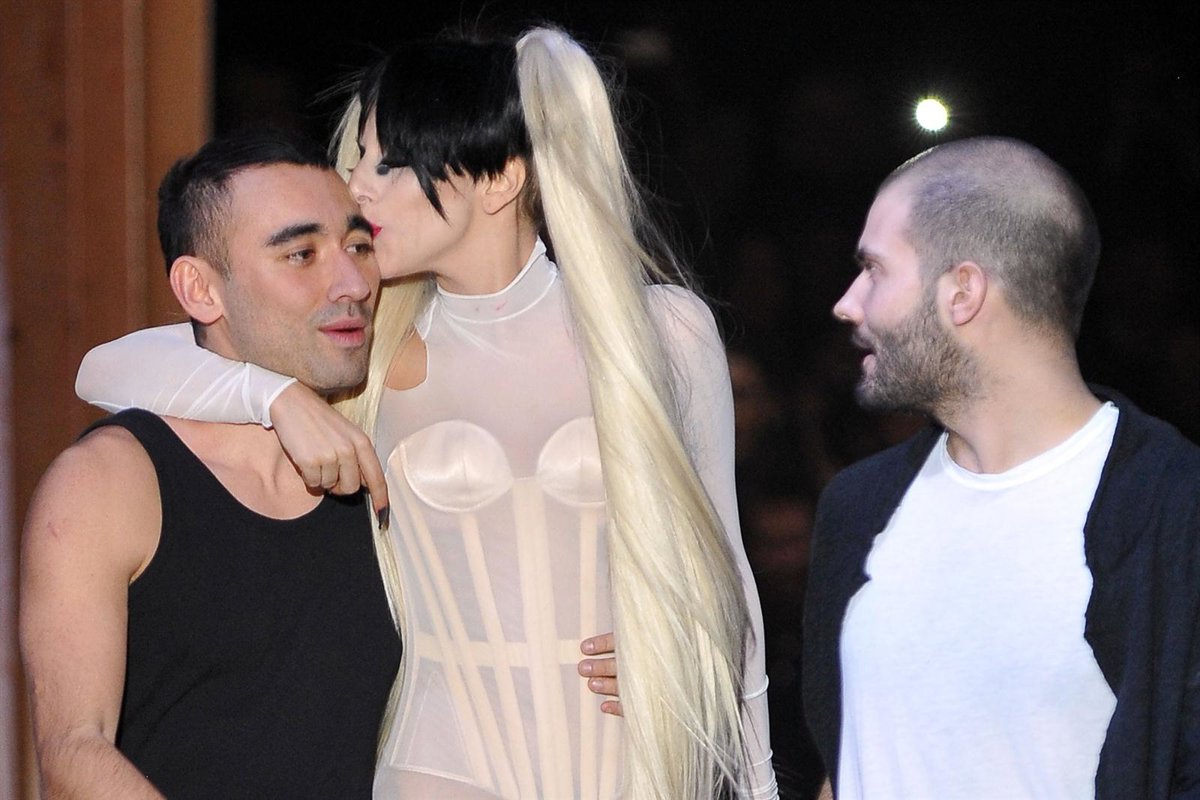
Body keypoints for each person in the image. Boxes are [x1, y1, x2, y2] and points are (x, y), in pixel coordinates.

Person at [75, 27, 777, 800]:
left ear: (500, 178)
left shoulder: (660, 331)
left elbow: (731, 588)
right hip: (436, 769)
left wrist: (750, 770)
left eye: (389, 162)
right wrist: (271, 396)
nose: (357, 188)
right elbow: (106, 369)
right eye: (358, 161)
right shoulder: (369, 349)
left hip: (632, 766)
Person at [802, 135, 1200, 799]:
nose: (848, 302)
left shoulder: (1173, 510)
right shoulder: (857, 507)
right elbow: (847, 765)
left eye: (875, 270)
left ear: (963, 291)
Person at [20, 130, 401, 798]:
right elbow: (73, 752)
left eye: (359, 247)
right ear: (200, 289)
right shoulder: (112, 481)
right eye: (301, 254)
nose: (352, 284)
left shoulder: (389, 456)